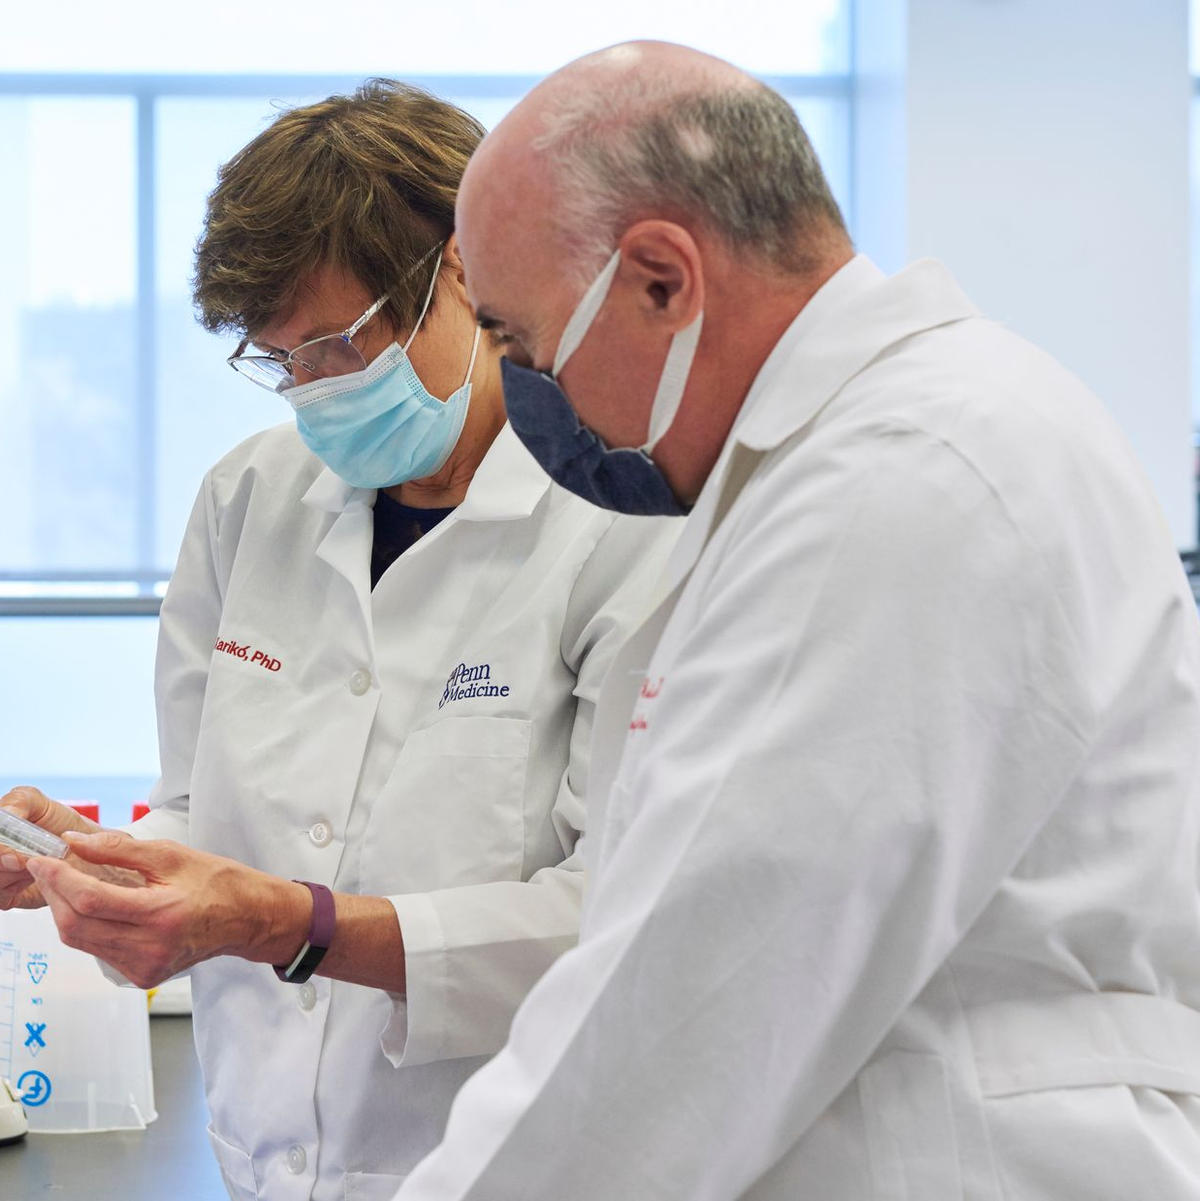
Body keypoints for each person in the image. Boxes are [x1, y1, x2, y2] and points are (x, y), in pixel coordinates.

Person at [387, 41, 1200, 1199]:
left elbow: (682, 1005)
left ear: (662, 278)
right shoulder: (869, 453)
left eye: (520, 342)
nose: (523, 398)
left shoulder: (901, 476)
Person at [0, 78, 678, 1200]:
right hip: (267, 1153)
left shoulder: (623, 522)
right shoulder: (247, 500)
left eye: (336, 345)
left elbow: (620, 914)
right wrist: (89, 860)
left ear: (459, 268)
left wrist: (294, 924)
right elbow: (197, 809)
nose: (313, 393)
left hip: (525, 1163)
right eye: (282, 361)